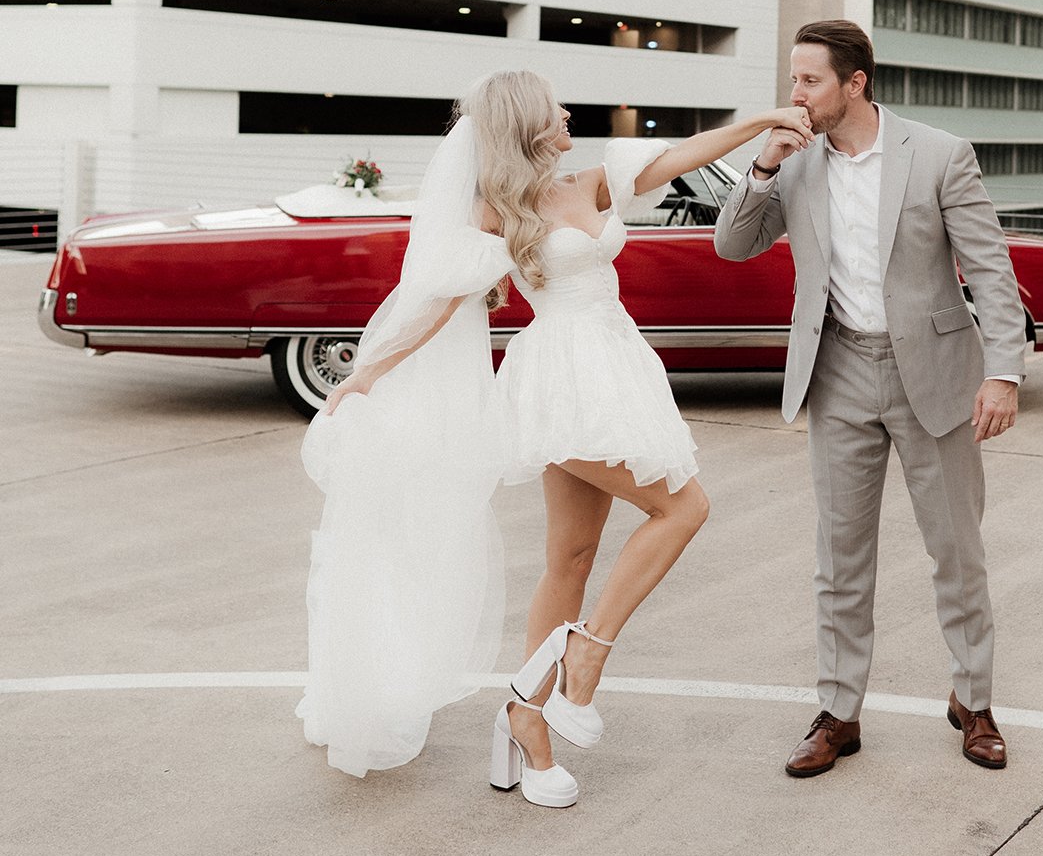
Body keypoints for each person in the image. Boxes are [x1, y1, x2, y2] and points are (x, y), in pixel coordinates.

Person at [296, 69, 812, 806]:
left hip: (616, 364)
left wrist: (763, 119)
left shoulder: (587, 183)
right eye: (555, 106)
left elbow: (680, 155)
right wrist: (366, 373)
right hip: (564, 380)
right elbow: (439, 304)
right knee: (683, 508)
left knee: (569, 559)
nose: (568, 110)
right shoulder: (493, 210)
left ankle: (524, 723)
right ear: (527, 124)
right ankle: (585, 662)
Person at [713, 19, 1026, 777]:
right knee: (840, 555)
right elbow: (732, 245)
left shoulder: (938, 154)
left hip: (936, 375)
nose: (795, 92)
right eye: (792, 78)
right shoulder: (793, 161)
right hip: (838, 370)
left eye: (809, 79)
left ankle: (972, 701)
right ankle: (838, 713)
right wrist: (760, 166)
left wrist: (1004, 371)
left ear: (855, 84)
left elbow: (989, 269)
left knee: (955, 549)